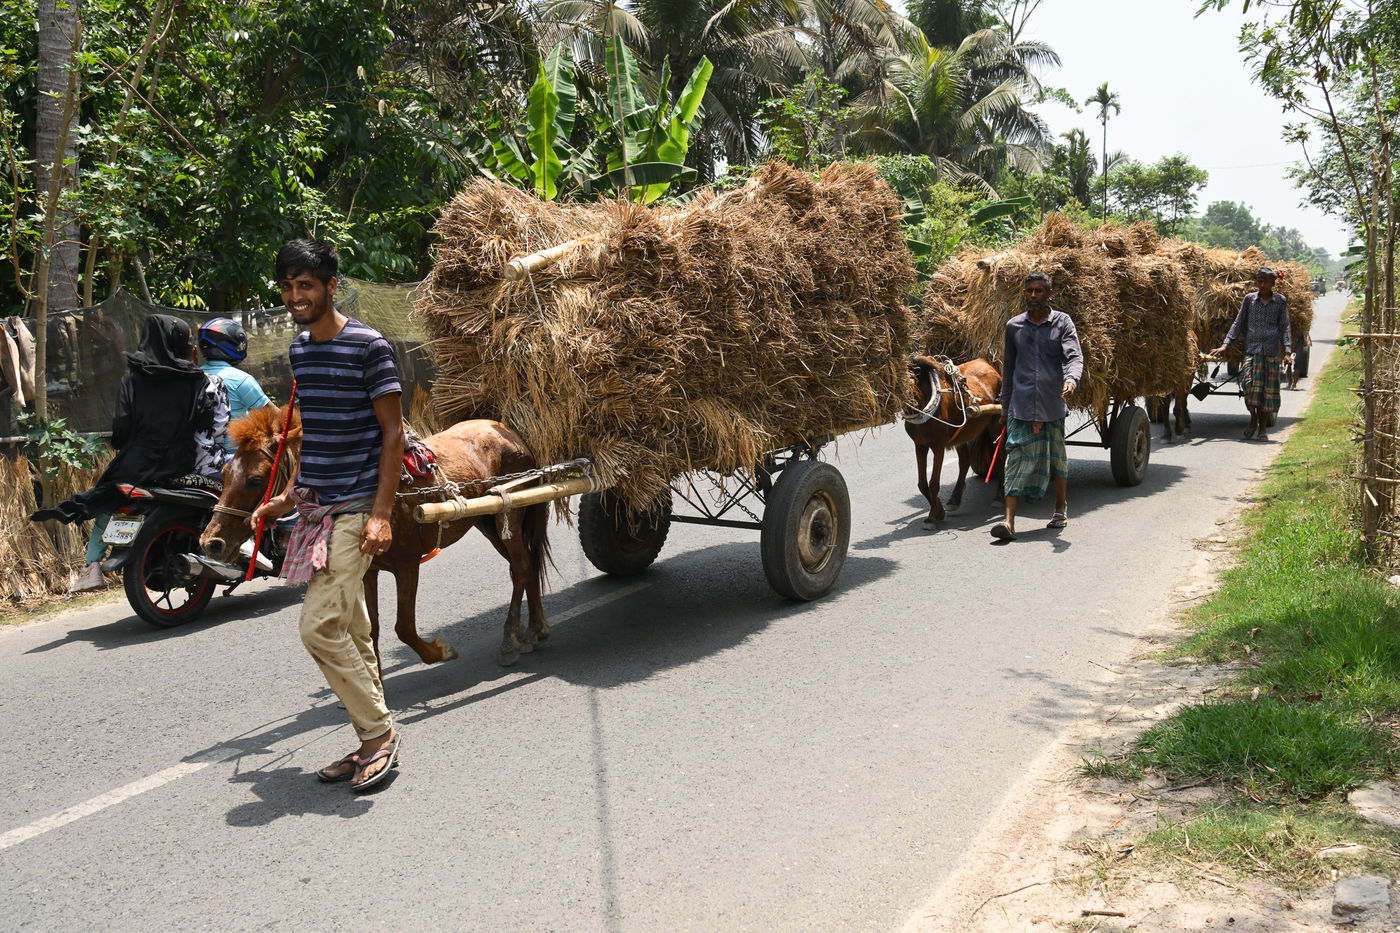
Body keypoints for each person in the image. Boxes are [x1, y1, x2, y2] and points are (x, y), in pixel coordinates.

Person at [250, 238, 405, 792]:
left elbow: (393, 433)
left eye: (306, 285)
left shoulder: (369, 346)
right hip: (317, 505)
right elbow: (314, 434)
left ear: (331, 286)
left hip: (358, 503)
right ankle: (374, 735)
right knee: (353, 626)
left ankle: (377, 734)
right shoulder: (300, 350)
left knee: (318, 627)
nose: (296, 295)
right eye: (289, 286)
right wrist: (288, 496)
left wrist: (381, 514)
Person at [31, 314, 227, 591]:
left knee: (108, 497)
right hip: (179, 463)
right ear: (181, 342)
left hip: (137, 461)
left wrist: (131, 447)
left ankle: (92, 568)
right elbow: (206, 423)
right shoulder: (194, 377)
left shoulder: (133, 376)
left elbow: (121, 426)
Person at [990, 272, 1083, 542]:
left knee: (1056, 459)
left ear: (1048, 294)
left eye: (1039, 291)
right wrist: (1005, 408)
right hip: (1020, 406)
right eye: (1029, 291)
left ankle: (1060, 507)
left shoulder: (1062, 323)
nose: (1033, 296)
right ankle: (1008, 522)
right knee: (1015, 460)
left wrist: (1071, 380)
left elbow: (1074, 356)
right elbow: (1009, 369)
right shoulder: (1014, 327)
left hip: (1052, 405)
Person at [1211, 266, 1293, 442]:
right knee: (1248, 387)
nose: (1261, 284)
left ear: (1273, 283)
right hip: (1252, 351)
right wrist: (1225, 345)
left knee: (1266, 393)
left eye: (1265, 281)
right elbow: (1238, 323)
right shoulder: (1250, 300)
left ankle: (1263, 428)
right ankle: (1253, 419)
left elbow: (1285, 326)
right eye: (1259, 280)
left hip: (1270, 352)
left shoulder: (1280, 301)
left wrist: (1287, 351)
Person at [198, 317, 271, 452]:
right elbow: (275, 415)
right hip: (236, 459)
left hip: (202, 458)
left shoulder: (195, 375)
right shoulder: (240, 380)